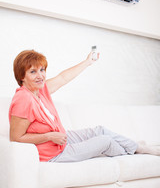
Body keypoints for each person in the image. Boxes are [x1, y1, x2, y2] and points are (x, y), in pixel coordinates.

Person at [9, 50, 160, 162]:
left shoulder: (39, 90)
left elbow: (63, 77)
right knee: (105, 141)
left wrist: (87, 62)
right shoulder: (23, 98)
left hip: (60, 141)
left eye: (42, 70)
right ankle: (133, 151)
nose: (40, 75)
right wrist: (49, 136)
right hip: (51, 154)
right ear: (22, 76)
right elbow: (16, 137)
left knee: (100, 130)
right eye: (33, 72)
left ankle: (138, 147)